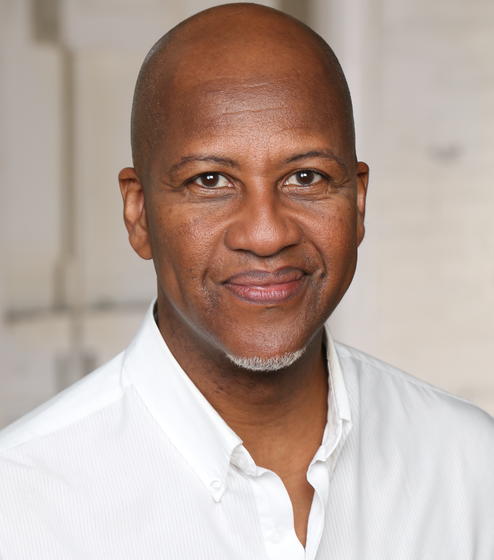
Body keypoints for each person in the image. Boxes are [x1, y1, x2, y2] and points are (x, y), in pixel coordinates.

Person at [0, 3, 492, 559]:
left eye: (306, 177)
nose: (265, 234)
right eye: (210, 180)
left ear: (357, 202)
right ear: (138, 215)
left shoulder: (471, 465)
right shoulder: (20, 504)